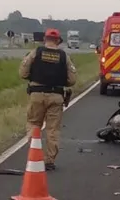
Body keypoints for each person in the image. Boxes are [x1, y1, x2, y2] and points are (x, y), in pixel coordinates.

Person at [19, 28, 77, 171]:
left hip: (37, 95)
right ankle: (49, 160)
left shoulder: (35, 53)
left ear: (45, 39)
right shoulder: (64, 56)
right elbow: (72, 80)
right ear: (58, 41)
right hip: (56, 96)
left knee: (34, 124)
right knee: (52, 129)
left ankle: (34, 155)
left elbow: (23, 73)